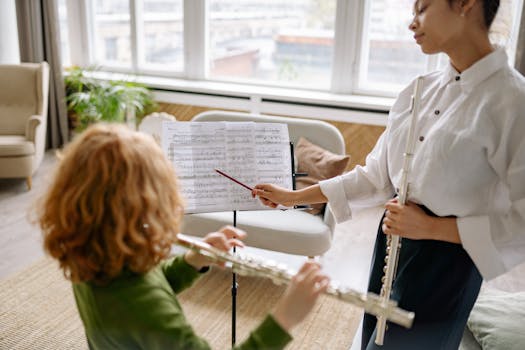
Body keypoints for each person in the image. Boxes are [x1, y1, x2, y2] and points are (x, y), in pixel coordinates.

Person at [252, 0, 525, 349]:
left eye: (422, 8)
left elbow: (521, 221)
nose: (412, 23)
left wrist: (431, 228)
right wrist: (291, 198)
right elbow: (376, 177)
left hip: (448, 264)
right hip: (391, 246)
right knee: (374, 341)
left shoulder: (513, 102)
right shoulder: (418, 90)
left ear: (465, 5)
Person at [37, 123, 329, 350]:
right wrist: (284, 318)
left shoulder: (91, 251)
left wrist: (191, 260)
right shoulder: (148, 310)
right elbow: (145, 299)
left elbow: (148, 283)